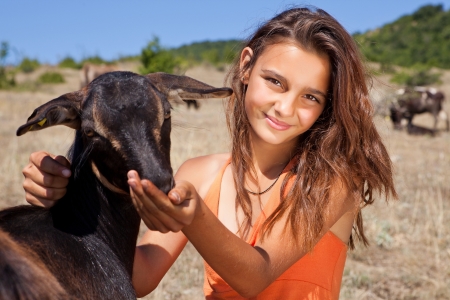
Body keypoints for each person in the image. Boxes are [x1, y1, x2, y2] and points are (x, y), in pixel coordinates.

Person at [21, 7, 397, 299]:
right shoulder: (201, 174)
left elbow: (255, 275)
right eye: (275, 81)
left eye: (310, 97)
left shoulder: (332, 180)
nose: (285, 107)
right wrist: (70, 202)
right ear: (247, 66)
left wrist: (195, 216)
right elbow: (138, 275)